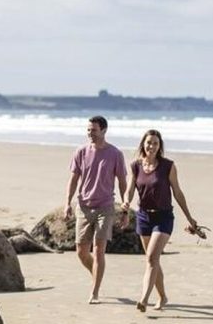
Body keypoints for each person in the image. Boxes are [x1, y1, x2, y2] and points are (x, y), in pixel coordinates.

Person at [122, 129, 201, 312]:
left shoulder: (168, 166)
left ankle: (143, 299)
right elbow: (130, 189)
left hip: (163, 217)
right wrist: (126, 201)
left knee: (151, 258)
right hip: (143, 216)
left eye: (155, 143)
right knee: (153, 260)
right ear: (143, 144)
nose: (152, 146)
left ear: (160, 147)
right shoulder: (135, 165)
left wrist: (190, 217)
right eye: (149, 142)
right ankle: (163, 297)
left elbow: (178, 192)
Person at [65, 115, 128, 304]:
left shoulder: (115, 154)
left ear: (104, 130)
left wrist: (125, 208)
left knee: (99, 250)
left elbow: (123, 182)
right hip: (84, 207)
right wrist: (68, 202)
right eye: (88, 130)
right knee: (81, 252)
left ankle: (95, 292)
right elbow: (74, 179)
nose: (90, 133)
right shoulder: (81, 152)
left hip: (106, 207)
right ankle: (96, 272)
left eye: (93, 130)